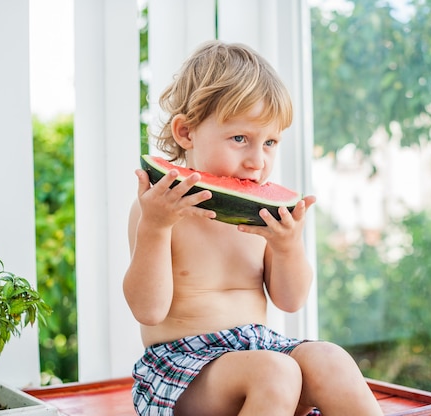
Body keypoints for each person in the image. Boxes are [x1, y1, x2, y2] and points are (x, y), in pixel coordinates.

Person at [123, 40, 384, 416]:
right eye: (240, 139)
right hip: (182, 370)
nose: (256, 161)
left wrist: (288, 247)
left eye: (270, 142)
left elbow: (290, 301)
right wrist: (155, 227)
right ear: (186, 133)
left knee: (330, 358)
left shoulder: (259, 215)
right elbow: (148, 310)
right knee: (275, 373)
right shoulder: (157, 213)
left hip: (258, 350)